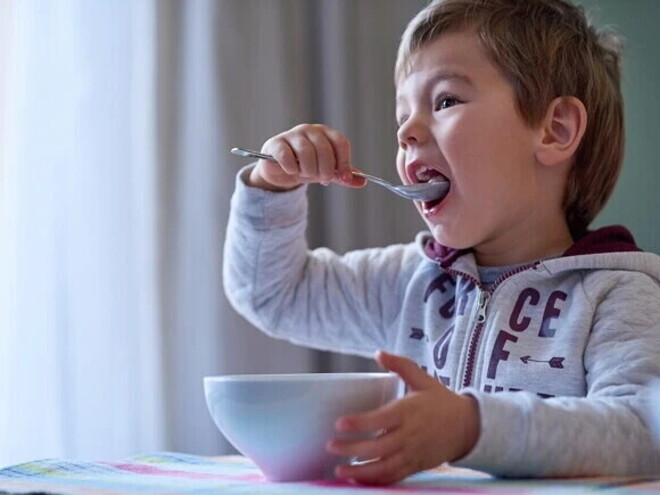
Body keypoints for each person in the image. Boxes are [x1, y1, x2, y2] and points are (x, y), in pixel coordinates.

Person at [223, 0, 660, 484]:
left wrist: (472, 428)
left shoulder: (617, 296)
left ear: (554, 130)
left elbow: (644, 432)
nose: (406, 132)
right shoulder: (405, 283)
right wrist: (272, 188)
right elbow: (273, 295)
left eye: (446, 100)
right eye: (401, 116)